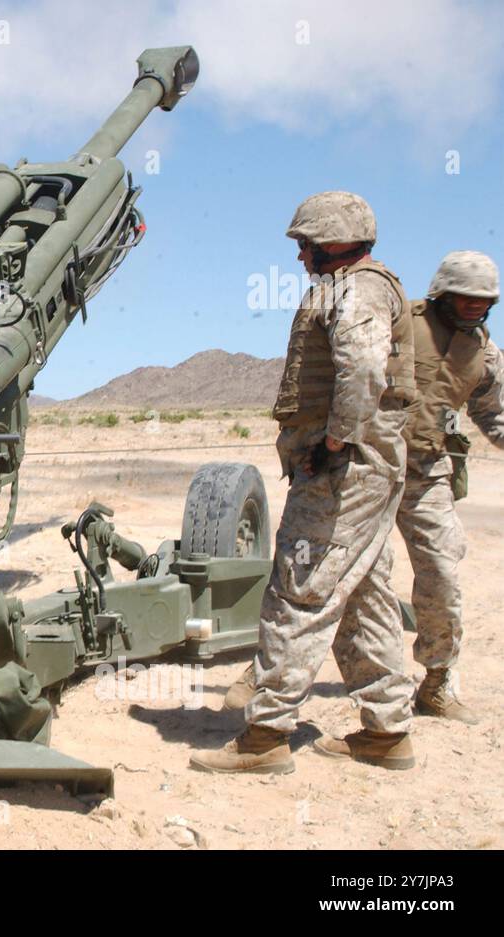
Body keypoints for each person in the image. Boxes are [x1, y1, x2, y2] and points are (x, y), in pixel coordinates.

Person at [191, 191, 417, 774]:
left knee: (298, 589)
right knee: (366, 596)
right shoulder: (367, 285)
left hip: (344, 473)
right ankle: (387, 732)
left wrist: (335, 441)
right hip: (372, 470)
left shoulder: (358, 290)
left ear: (332, 240)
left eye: (305, 244)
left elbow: (363, 368)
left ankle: (265, 737)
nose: (300, 256)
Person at [395, 250, 503, 723]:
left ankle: (437, 683)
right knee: (326, 574)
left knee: (441, 573)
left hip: (428, 474)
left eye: (483, 302)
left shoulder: (483, 349)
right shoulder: (399, 321)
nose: (474, 309)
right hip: (366, 467)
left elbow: (494, 413)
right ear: (443, 292)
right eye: (465, 300)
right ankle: (272, 676)